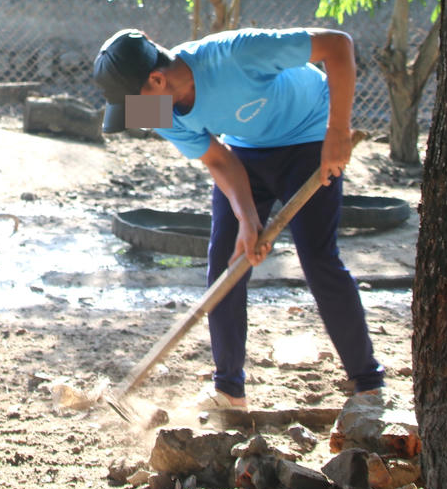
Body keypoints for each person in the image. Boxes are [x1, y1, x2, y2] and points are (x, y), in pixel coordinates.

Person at [92, 26, 384, 411]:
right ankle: (229, 391)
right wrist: (248, 220)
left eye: (131, 104)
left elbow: (338, 45)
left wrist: (337, 131)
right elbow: (219, 159)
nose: (136, 117)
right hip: (246, 151)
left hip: (311, 134)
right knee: (226, 262)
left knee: (317, 258)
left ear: (157, 78)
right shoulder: (156, 108)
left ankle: (367, 384)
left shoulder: (237, 54)